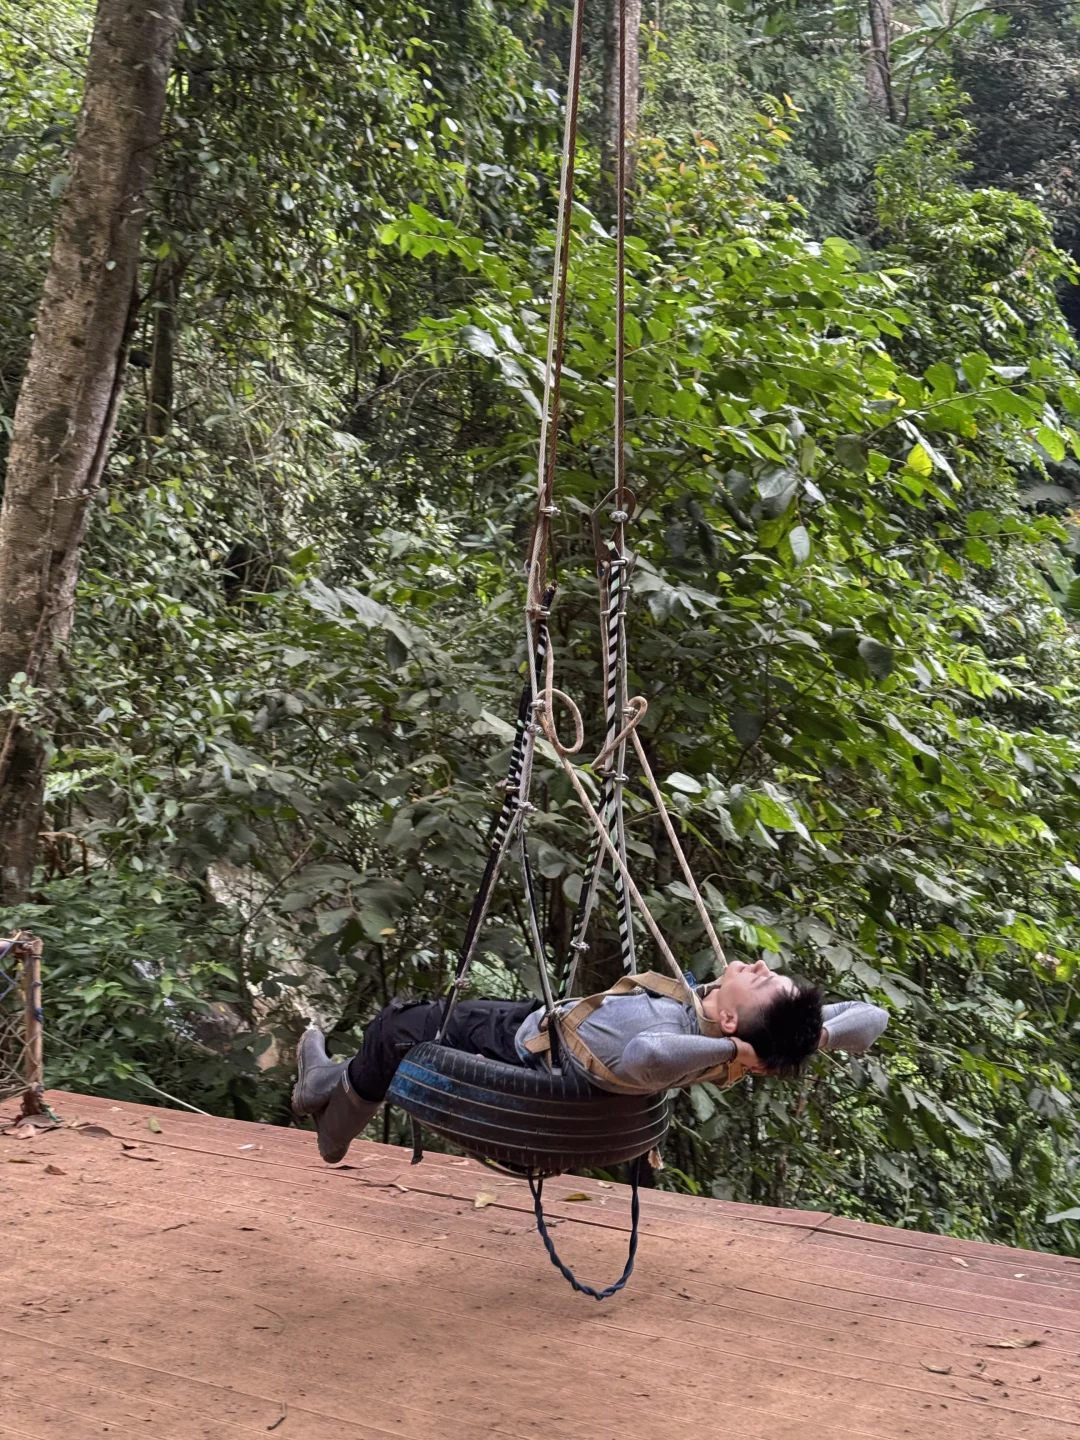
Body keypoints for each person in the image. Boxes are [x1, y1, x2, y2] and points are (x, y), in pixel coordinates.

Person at [291, 958, 888, 1164]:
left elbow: (645, 1053)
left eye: (763, 984)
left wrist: (739, 1050)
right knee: (413, 1023)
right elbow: (873, 1019)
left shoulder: (671, 1037)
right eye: (771, 973)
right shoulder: (730, 1038)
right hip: (549, 1027)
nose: (761, 968)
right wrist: (808, 1040)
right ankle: (328, 1090)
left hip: (522, 1043)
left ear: (732, 1023)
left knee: (398, 1026)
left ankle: (330, 1114)